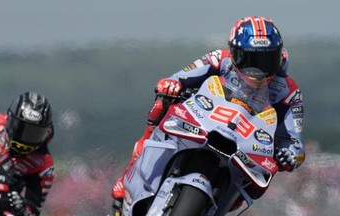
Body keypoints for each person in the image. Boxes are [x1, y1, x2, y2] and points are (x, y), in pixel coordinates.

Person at [111, 16, 305, 203]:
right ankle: (130, 172)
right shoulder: (218, 59)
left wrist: (290, 154)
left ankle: (215, 210)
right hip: (205, 118)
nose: (257, 70)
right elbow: (180, 77)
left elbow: (294, 141)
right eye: (250, 60)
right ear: (235, 53)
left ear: (279, 57)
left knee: (260, 180)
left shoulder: (289, 91)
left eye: (267, 61)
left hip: (247, 142)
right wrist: (171, 85)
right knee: (161, 105)